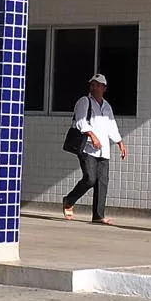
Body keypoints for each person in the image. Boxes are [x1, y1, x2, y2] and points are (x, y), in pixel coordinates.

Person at [62, 73, 126, 225]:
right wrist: (93, 136)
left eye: (97, 85)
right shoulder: (84, 101)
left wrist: (120, 142)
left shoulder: (107, 106)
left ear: (104, 88)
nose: (94, 87)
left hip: (103, 150)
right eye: (92, 84)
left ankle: (98, 216)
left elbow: (112, 126)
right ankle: (69, 200)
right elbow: (80, 122)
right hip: (88, 148)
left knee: (102, 182)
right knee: (90, 179)